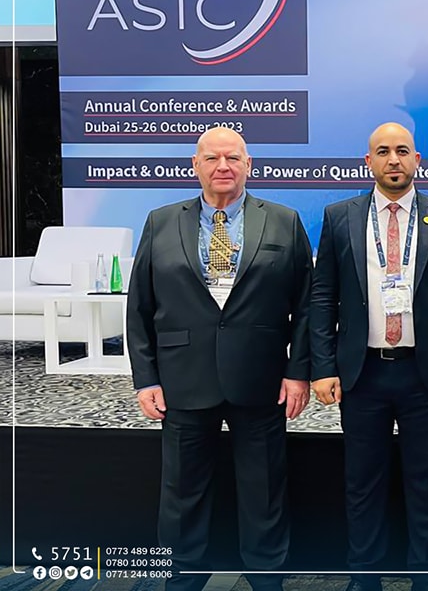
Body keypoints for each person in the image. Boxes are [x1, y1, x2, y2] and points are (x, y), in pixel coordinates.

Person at [127, 127, 313, 591]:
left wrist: (297, 372)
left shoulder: (284, 221)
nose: (223, 166)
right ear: (196, 165)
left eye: (233, 157)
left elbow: (307, 305)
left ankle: (267, 580)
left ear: (249, 164)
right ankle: (181, 580)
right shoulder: (160, 222)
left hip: (262, 380)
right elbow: (140, 306)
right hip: (182, 380)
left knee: (264, 492)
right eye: (212, 158)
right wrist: (145, 378)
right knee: (181, 495)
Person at [309, 122, 428, 591]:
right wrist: (322, 366)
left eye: (402, 151)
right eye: (382, 152)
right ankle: (364, 577)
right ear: (369, 162)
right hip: (362, 374)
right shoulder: (339, 216)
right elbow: (323, 297)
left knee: (427, 481)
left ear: (416, 159)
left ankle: (427, 577)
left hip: (427, 374)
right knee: (362, 482)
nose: (393, 160)